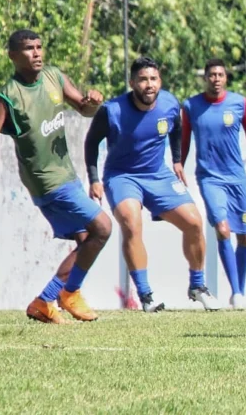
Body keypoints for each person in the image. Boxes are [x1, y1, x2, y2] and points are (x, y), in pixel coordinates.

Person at [0, 29, 112, 324]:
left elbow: (84, 108)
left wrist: (93, 100)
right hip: (47, 181)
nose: (37, 53)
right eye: (29, 48)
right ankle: (63, 294)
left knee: (86, 239)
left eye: (39, 46)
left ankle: (48, 301)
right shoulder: (8, 97)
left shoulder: (55, 76)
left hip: (67, 174)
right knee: (103, 228)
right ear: (13, 56)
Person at [85, 56, 220, 312]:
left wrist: (177, 161)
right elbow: (91, 143)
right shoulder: (111, 110)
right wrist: (93, 179)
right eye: (143, 79)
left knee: (194, 222)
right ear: (132, 82)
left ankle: (198, 286)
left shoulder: (170, 103)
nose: (149, 84)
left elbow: (177, 128)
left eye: (154, 79)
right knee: (131, 222)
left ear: (160, 81)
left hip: (159, 175)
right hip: (122, 176)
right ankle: (146, 296)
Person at [180, 58, 246, 310]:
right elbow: (184, 140)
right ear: (205, 78)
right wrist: (178, 164)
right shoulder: (191, 106)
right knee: (223, 230)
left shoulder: (239, 103)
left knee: (245, 237)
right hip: (209, 178)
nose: (216, 79)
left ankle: (240, 290)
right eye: (211, 74)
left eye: (220, 74)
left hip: (237, 179)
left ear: (226, 78)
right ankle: (236, 294)